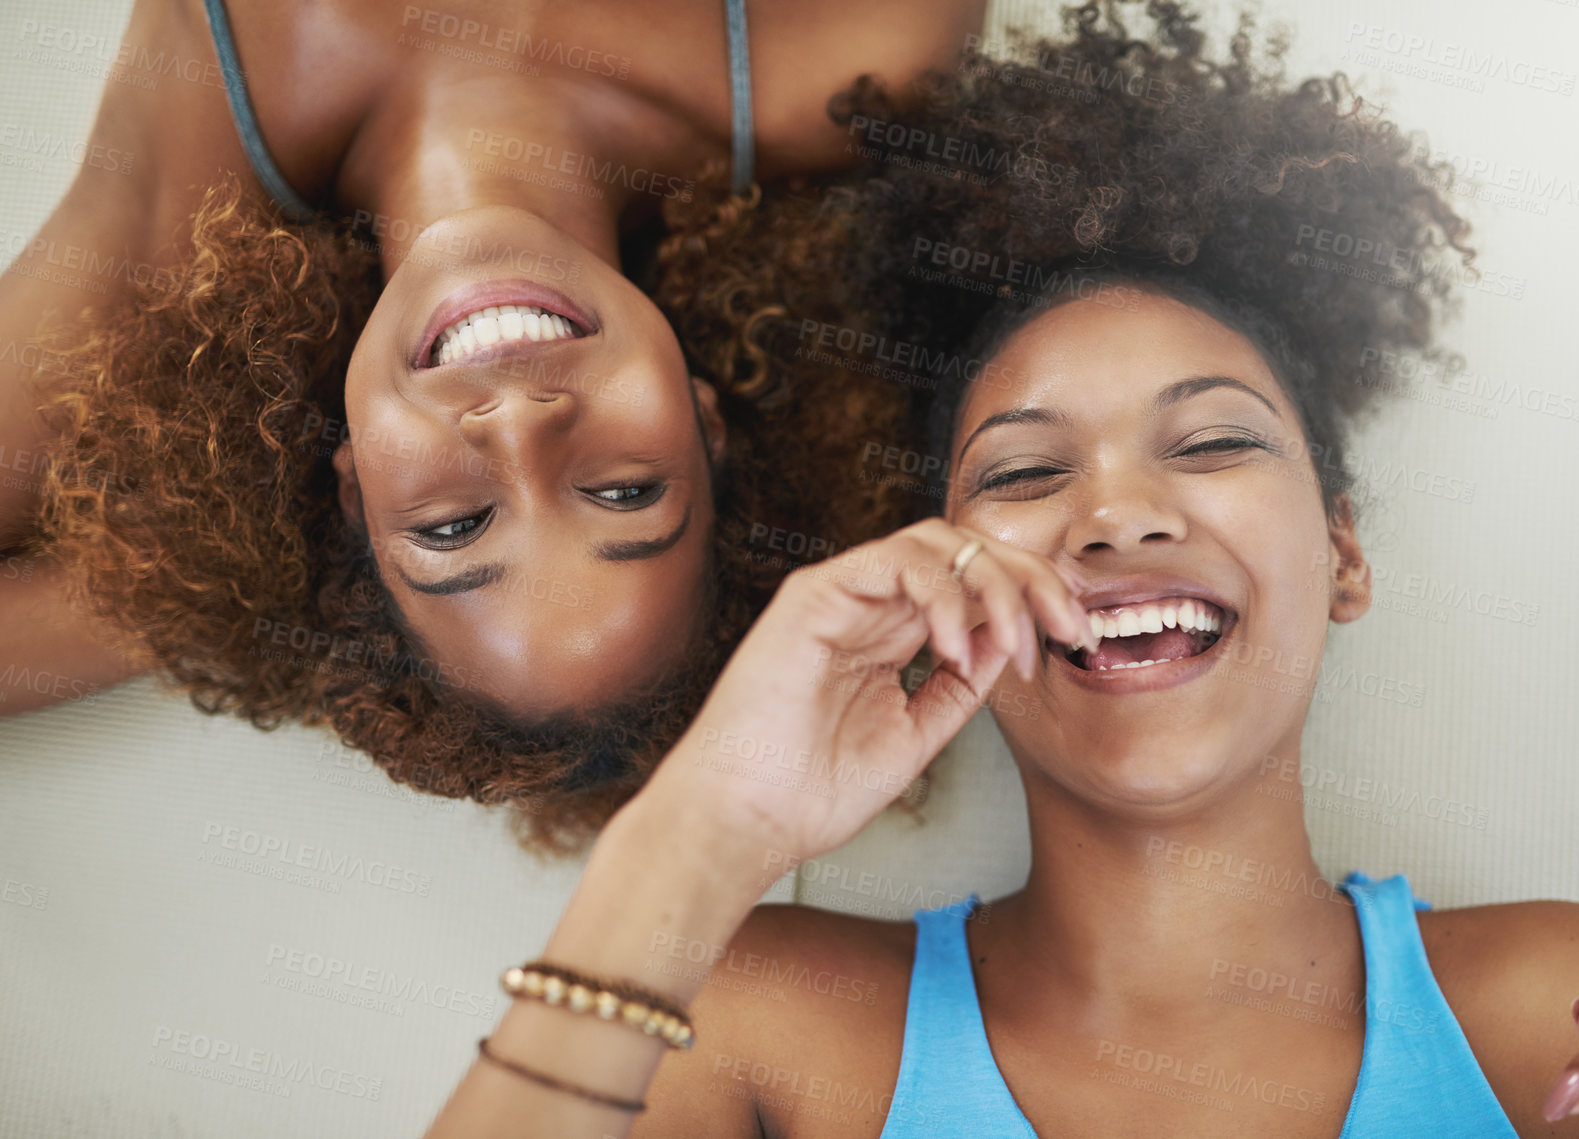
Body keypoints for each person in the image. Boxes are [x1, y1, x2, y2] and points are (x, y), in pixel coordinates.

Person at [416, 4, 1579, 1136]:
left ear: (1340, 549)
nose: (1114, 512)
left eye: (1213, 438)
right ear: (931, 578)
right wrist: (706, 827)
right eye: (1020, 471)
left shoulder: (1554, 1009)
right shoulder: (762, 1026)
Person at [1, 0, 983, 846]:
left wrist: (218, 593)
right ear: (705, 419)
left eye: (452, 525)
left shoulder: (188, 188)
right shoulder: (850, 53)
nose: (518, 424)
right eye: (622, 490)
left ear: (349, 491)